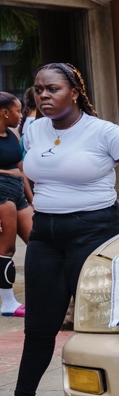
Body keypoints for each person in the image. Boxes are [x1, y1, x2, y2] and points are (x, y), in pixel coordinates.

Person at [0, 64, 119, 396]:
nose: (44, 96)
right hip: (46, 235)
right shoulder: (34, 128)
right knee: (39, 327)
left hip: (93, 231)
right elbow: (34, 171)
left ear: (74, 91)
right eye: (38, 89)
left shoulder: (102, 131)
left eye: (53, 88)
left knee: (103, 327)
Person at [0, 92, 32, 316]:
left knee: (39, 241)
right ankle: (8, 303)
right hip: (1, 193)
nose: (20, 115)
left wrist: (33, 200)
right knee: (6, 249)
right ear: (5, 112)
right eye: (18, 110)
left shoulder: (13, 133)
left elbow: (22, 170)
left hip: (18, 191)